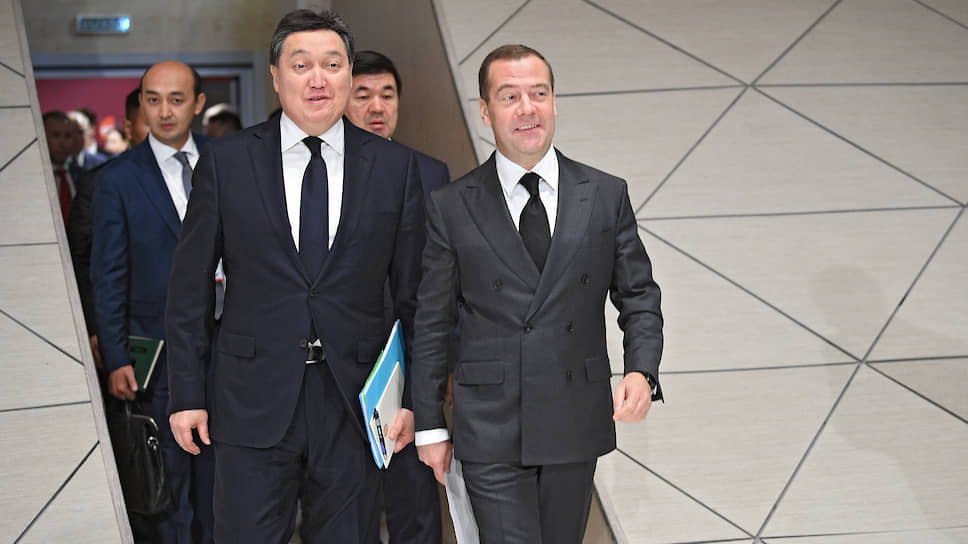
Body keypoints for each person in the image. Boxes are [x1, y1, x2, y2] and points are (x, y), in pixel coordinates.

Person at [165, 9, 426, 543]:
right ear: (275, 76)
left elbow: (415, 298)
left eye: (332, 64)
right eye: (301, 65)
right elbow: (190, 287)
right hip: (250, 399)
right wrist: (186, 392)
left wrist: (415, 398)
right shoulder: (227, 162)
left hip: (354, 404)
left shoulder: (394, 168)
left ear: (348, 74)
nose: (317, 79)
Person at [412, 44, 664, 544]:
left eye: (539, 94)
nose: (527, 108)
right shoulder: (451, 206)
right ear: (485, 111)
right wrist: (430, 426)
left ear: (554, 102)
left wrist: (642, 369)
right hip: (490, 423)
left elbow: (638, 295)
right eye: (509, 96)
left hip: (574, 412)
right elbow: (433, 323)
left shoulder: (605, 193)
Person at [91, 61, 214, 543]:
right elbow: (108, 274)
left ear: (198, 104)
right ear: (141, 104)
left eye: (176, 99)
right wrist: (116, 356)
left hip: (233, 350)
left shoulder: (230, 162)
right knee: (169, 486)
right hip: (157, 355)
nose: (164, 111)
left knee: (227, 483)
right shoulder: (117, 179)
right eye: (153, 99)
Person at [345, 49, 446, 544]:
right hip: (340, 362)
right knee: (348, 507)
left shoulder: (430, 173)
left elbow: (442, 278)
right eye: (362, 95)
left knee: (414, 504)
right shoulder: (322, 173)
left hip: (408, 363)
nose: (376, 107)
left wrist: (440, 366)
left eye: (387, 95)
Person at [67, 87, 150, 366]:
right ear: (129, 128)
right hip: (126, 325)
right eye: (149, 123)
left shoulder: (200, 174)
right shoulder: (99, 182)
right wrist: (94, 327)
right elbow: (80, 260)